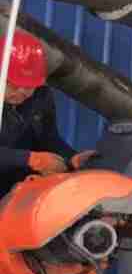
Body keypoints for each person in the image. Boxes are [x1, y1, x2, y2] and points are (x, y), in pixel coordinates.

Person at [0, 29, 94, 195]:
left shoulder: (40, 97)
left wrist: (71, 158)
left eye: (29, 86)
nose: (23, 92)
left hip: (18, 193)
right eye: (14, 85)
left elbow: (48, 139)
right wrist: (31, 159)